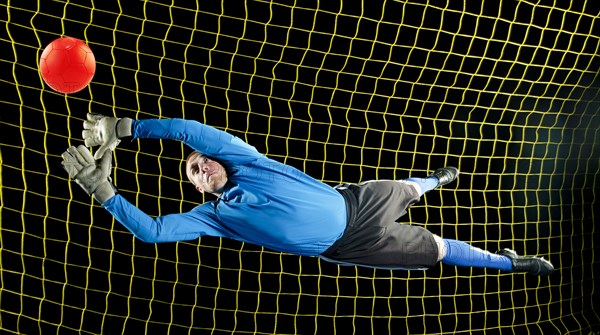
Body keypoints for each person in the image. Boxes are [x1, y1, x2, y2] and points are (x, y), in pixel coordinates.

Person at [61, 114, 554, 275]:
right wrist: (103, 190)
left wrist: (127, 128)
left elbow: (192, 131)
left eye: (201, 159)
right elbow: (152, 231)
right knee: (438, 249)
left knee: (408, 187)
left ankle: (437, 180)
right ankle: (512, 262)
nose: (201, 165)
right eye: (193, 171)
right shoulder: (215, 216)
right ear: (194, 185)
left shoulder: (246, 161)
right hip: (349, 246)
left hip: (356, 202)